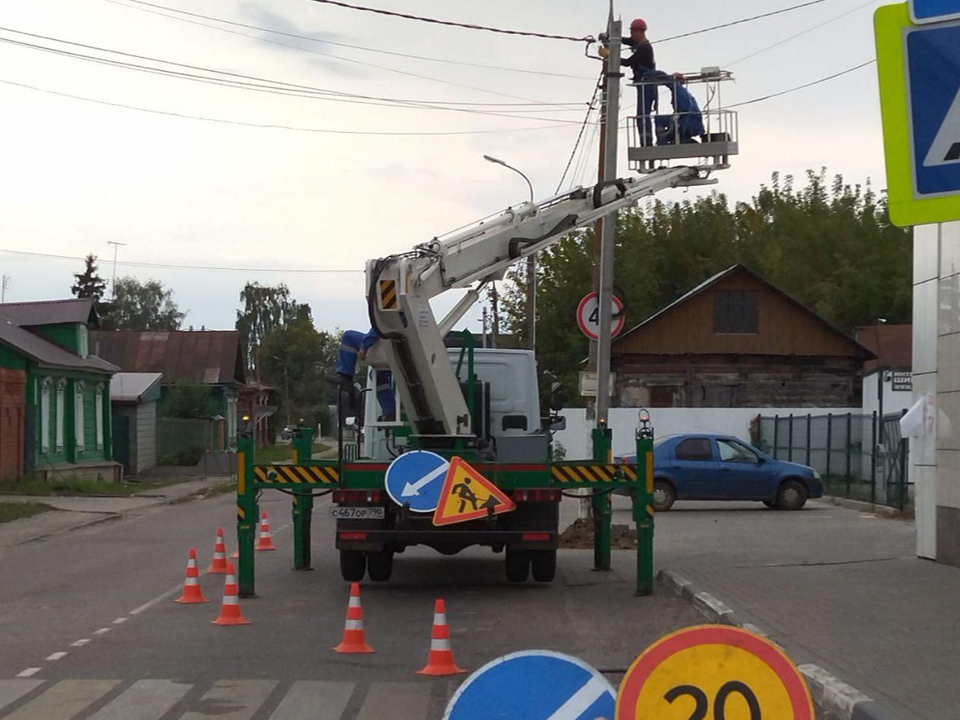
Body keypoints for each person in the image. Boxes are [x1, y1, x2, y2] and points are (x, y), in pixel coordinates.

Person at [330, 329, 396, 420]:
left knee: (348, 337)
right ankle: (390, 412)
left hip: (388, 347)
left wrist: (364, 346)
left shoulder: (388, 313)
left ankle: (345, 376)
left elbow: (378, 326)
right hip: (401, 346)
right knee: (379, 376)